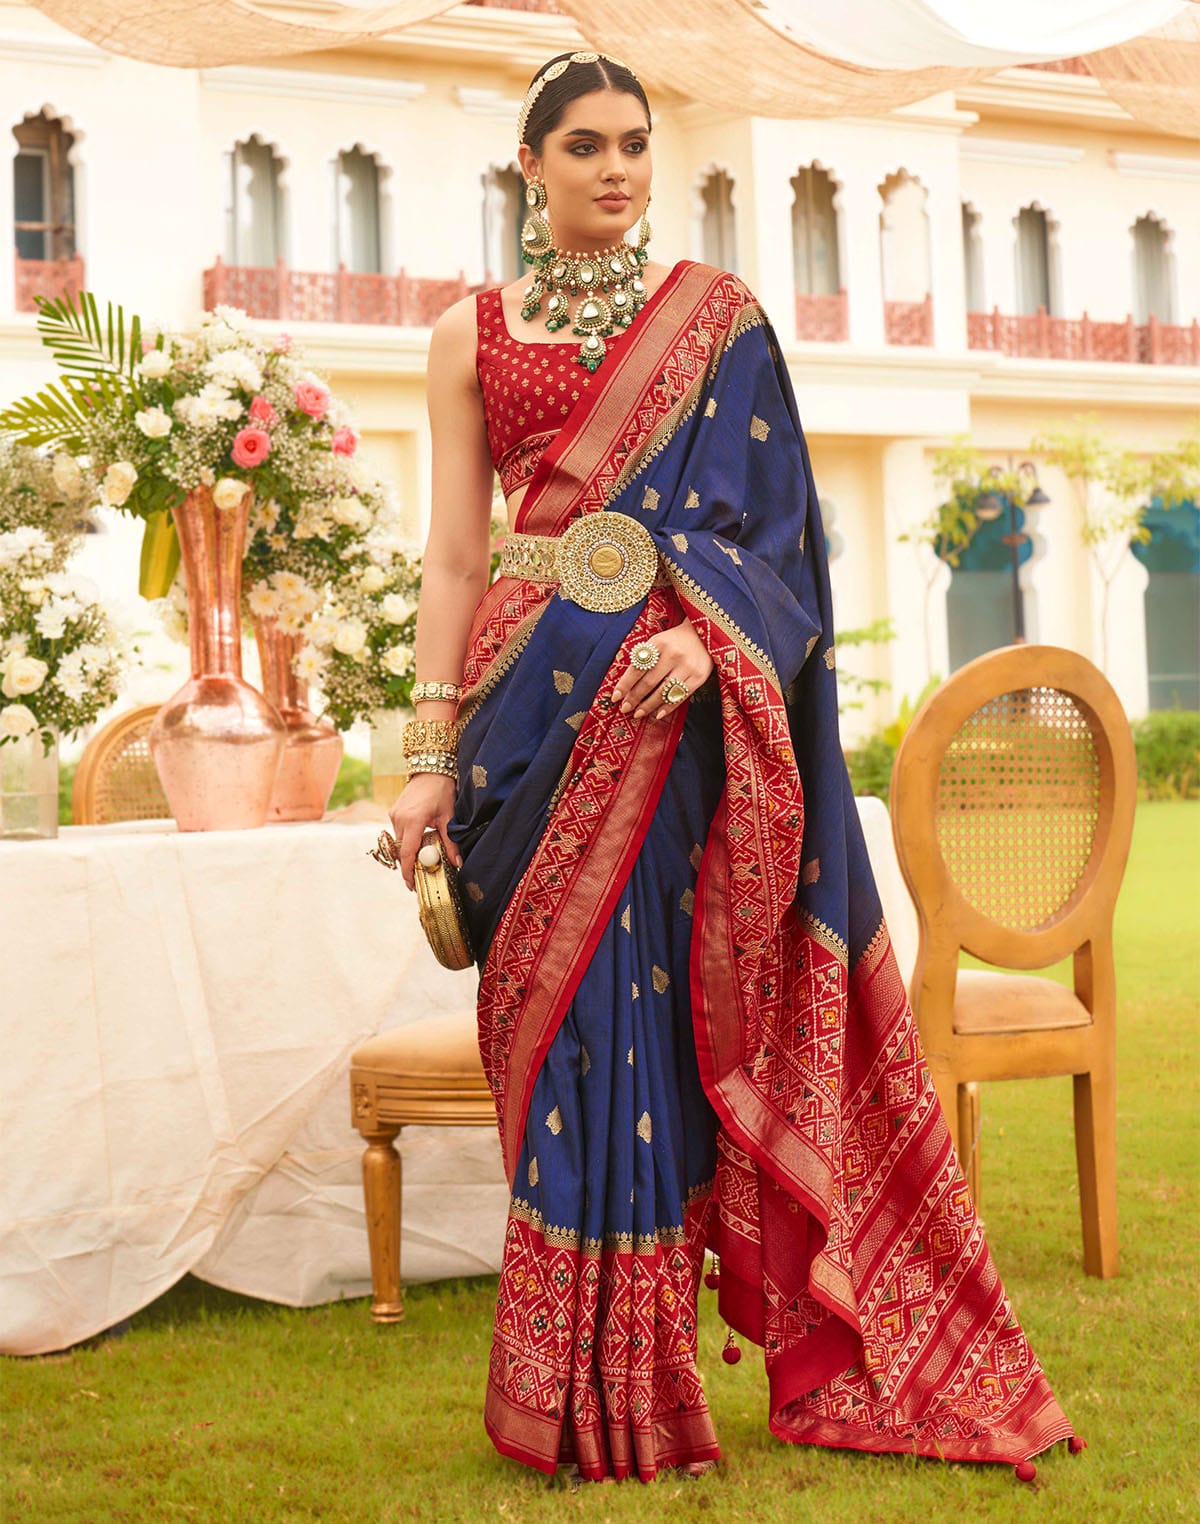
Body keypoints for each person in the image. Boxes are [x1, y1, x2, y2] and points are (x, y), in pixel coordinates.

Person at [388, 50, 1077, 1485]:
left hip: (668, 729)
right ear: (532, 167)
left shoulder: (718, 323)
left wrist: (709, 647)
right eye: (583, 146)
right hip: (526, 725)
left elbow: (778, 549)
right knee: (554, 1033)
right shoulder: (466, 334)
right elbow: (456, 555)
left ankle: (639, 1397)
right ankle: (562, 1391)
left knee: (634, 1033)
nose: (617, 168)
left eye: (635, 144)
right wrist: (426, 756)